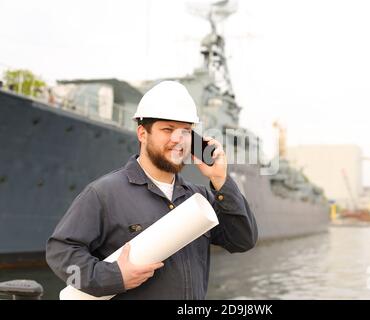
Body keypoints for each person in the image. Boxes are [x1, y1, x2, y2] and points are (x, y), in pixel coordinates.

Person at [46, 81, 258, 299]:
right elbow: (61, 251)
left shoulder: (199, 197)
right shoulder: (105, 194)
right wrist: (113, 277)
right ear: (142, 133)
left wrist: (220, 178)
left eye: (185, 131)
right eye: (167, 129)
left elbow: (243, 240)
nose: (178, 139)